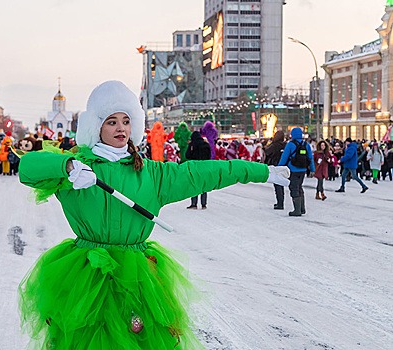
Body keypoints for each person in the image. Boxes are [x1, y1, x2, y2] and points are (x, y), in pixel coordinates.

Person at [17, 80, 290, 349]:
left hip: (136, 278)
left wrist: (261, 171)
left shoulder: (151, 174)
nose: (120, 127)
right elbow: (28, 168)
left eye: (126, 120)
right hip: (86, 278)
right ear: (96, 126)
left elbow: (203, 173)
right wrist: (66, 167)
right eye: (111, 121)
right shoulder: (78, 169)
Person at [278, 127, 315, 217]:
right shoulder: (306, 144)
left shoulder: (290, 144)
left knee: (294, 188)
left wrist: (279, 167)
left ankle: (297, 210)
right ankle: (302, 208)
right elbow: (310, 158)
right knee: (299, 187)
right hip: (303, 170)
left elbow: (284, 157)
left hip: (293, 169)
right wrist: (312, 169)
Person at [185, 131, 211, 209]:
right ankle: (203, 204)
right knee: (204, 185)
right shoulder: (206, 144)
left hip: (195, 167)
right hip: (204, 167)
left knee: (194, 184)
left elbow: (187, 155)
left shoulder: (192, 144)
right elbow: (209, 156)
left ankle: (194, 204)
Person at [264, 130, 286, 209]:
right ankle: (281, 202)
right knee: (281, 185)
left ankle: (280, 203)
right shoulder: (285, 145)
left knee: (277, 185)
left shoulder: (274, 145)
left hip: (275, 165)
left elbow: (267, 152)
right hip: (283, 166)